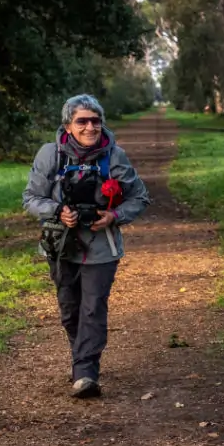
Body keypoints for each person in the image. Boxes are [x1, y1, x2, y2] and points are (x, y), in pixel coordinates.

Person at [23, 94, 152, 398]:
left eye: (96, 121)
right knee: (70, 310)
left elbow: (140, 197)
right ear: (68, 125)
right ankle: (82, 355)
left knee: (93, 307)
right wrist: (58, 211)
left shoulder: (115, 156)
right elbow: (30, 198)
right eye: (82, 121)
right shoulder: (49, 155)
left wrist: (114, 216)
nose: (90, 127)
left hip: (101, 247)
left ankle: (85, 372)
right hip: (60, 244)